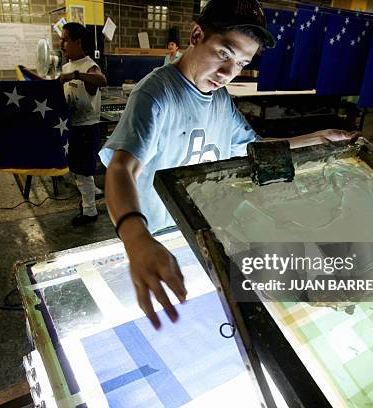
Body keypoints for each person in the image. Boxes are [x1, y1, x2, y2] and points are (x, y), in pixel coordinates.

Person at [99, 0, 352, 329]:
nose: (228, 73)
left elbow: (252, 148)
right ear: (196, 35)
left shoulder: (220, 99)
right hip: (156, 236)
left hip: (197, 230)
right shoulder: (156, 94)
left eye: (242, 63)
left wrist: (317, 138)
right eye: (223, 53)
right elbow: (122, 168)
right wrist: (136, 238)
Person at [60, 22, 108, 226]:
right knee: (78, 168)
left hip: (87, 127)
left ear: (78, 42)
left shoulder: (89, 65)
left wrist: (76, 76)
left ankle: (89, 211)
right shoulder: (66, 66)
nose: (62, 45)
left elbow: (102, 80)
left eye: (65, 40)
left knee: (83, 171)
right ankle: (93, 191)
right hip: (72, 125)